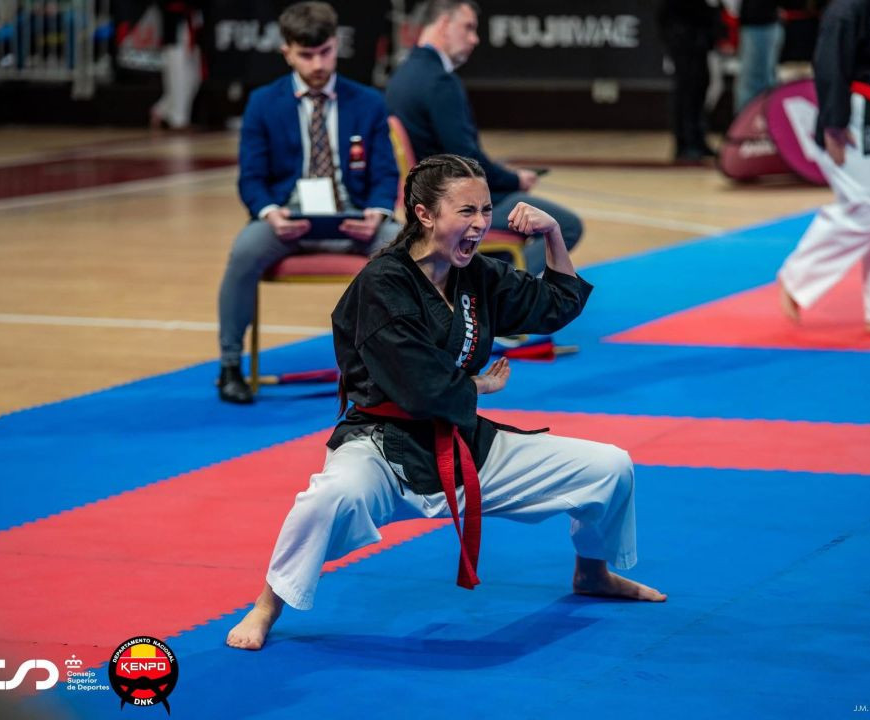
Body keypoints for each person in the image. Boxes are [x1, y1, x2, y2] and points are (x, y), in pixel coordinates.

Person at [226, 154, 666, 651]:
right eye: (466, 211)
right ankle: (266, 605)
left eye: (486, 210)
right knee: (329, 499)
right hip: (384, 448)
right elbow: (418, 387)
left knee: (610, 467)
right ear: (425, 214)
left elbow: (555, 306)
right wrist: (478, 387)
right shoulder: (383, 284)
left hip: (460, 441)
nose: (480, 224)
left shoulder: (477, 274)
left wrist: (552, 236)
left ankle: (592, 572)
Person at [216, 1, 400, 403]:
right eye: (306, 55)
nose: (318, 64)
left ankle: (405, 362)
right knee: (244, 251)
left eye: (325, 52)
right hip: (288, 221)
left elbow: (386, 173)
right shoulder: (263, 103)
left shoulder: (367, 101)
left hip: (354, 218)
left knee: (404, 246)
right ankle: (230, 365)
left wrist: (377, 212)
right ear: (286, 52)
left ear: (336, 45)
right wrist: (270, 213)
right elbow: (251, 178)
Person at [385, 0, 583, 278]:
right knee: (567, 225)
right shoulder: (440, 82)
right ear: (444, 24)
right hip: (455, 202)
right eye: (468, 28)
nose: (474, 39)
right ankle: (503, 289)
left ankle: (493, 279)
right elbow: (467, 161)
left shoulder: (401, 76)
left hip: (428, 198)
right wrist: (515, 179)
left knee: (506, 237)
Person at [777, 0, 870, 336]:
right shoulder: (847, 7)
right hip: (853, 115)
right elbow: (829, 64)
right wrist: (834, 123)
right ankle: (797, 276)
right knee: (865, 207)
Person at [657, 0, 721, 162]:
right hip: (682, 31)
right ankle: (685, 143)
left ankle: (698, 139)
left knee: (700, 85)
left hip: (698, 31)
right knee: (687, 88)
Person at [149, 0, 201, 130]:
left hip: (191, 25)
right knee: (177, 74)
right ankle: (178, 120)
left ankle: (161, 109)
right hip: (174, 28)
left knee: (194, 77)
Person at [734, 0, 784, 112]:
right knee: (755, 84)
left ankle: (751, 120)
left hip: (761, 23)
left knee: (754, 85)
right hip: (758, 22)